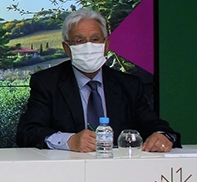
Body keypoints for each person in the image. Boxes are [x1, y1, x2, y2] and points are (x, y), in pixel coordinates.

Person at [16, 9, 179, 152]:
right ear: (67, 48)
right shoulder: (47, 83)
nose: (89, 47)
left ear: (106, 45)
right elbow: (27, 132)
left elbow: (157, 127)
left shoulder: (128, 85)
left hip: (119, 171)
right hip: (67, 171)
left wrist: (162, 136)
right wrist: (70, 141)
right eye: (79, 41)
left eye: (95, 39)